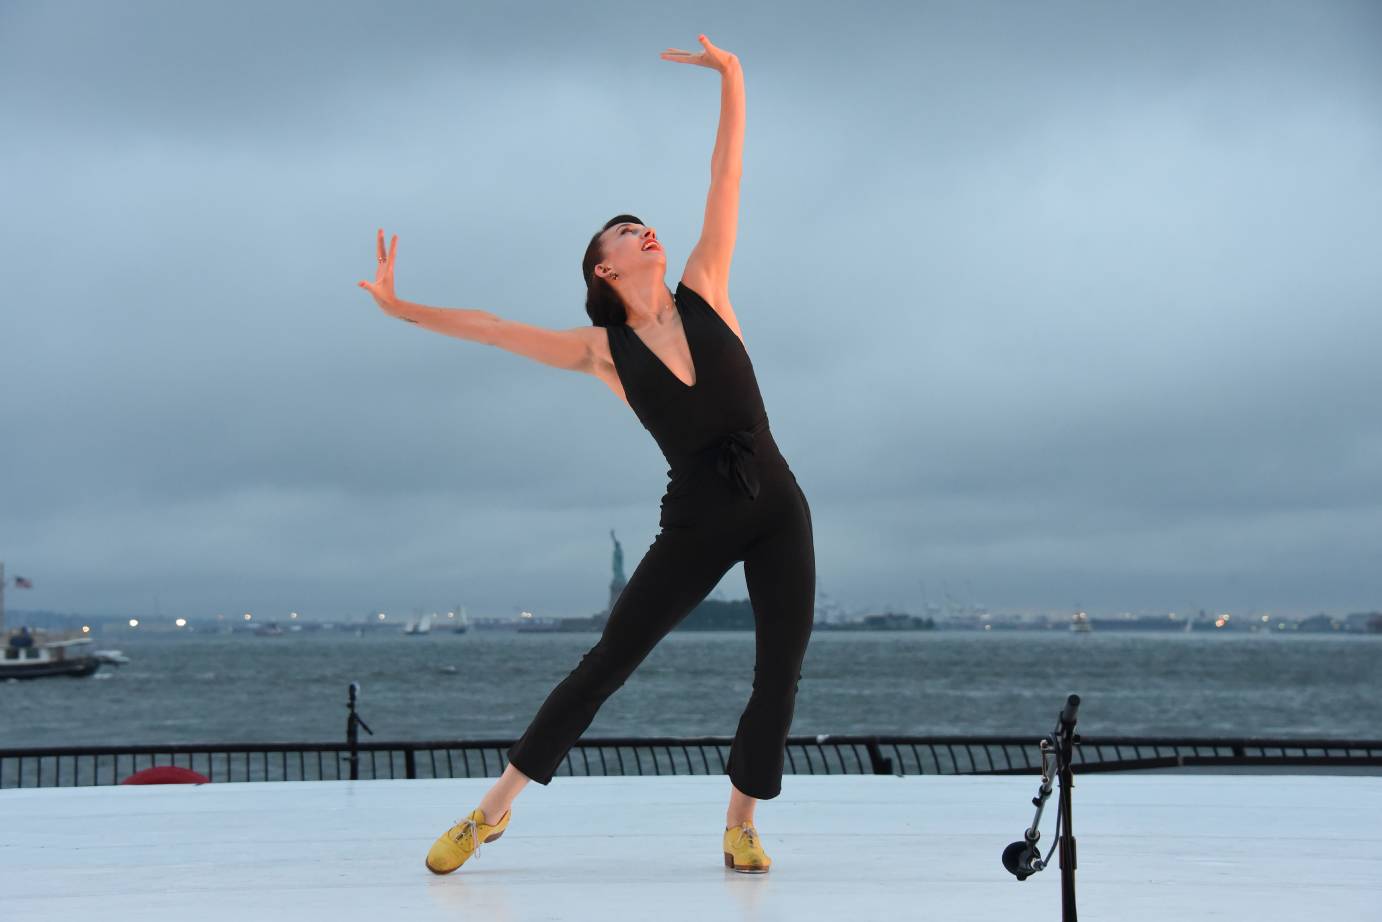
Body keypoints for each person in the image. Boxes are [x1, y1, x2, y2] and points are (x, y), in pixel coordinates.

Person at [359, 35, 814, 876]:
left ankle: (741, 822)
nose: (647, 230)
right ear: (604, 267)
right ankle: (490, 812)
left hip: (777, 501)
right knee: (608, 662)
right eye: (626, 230)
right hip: (698, 518)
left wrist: (734, 76)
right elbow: (493, 328)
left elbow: (727, 177)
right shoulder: (602, 350)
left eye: (646, 224)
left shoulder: (708, 286)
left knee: (778, 673)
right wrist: (399, 308)